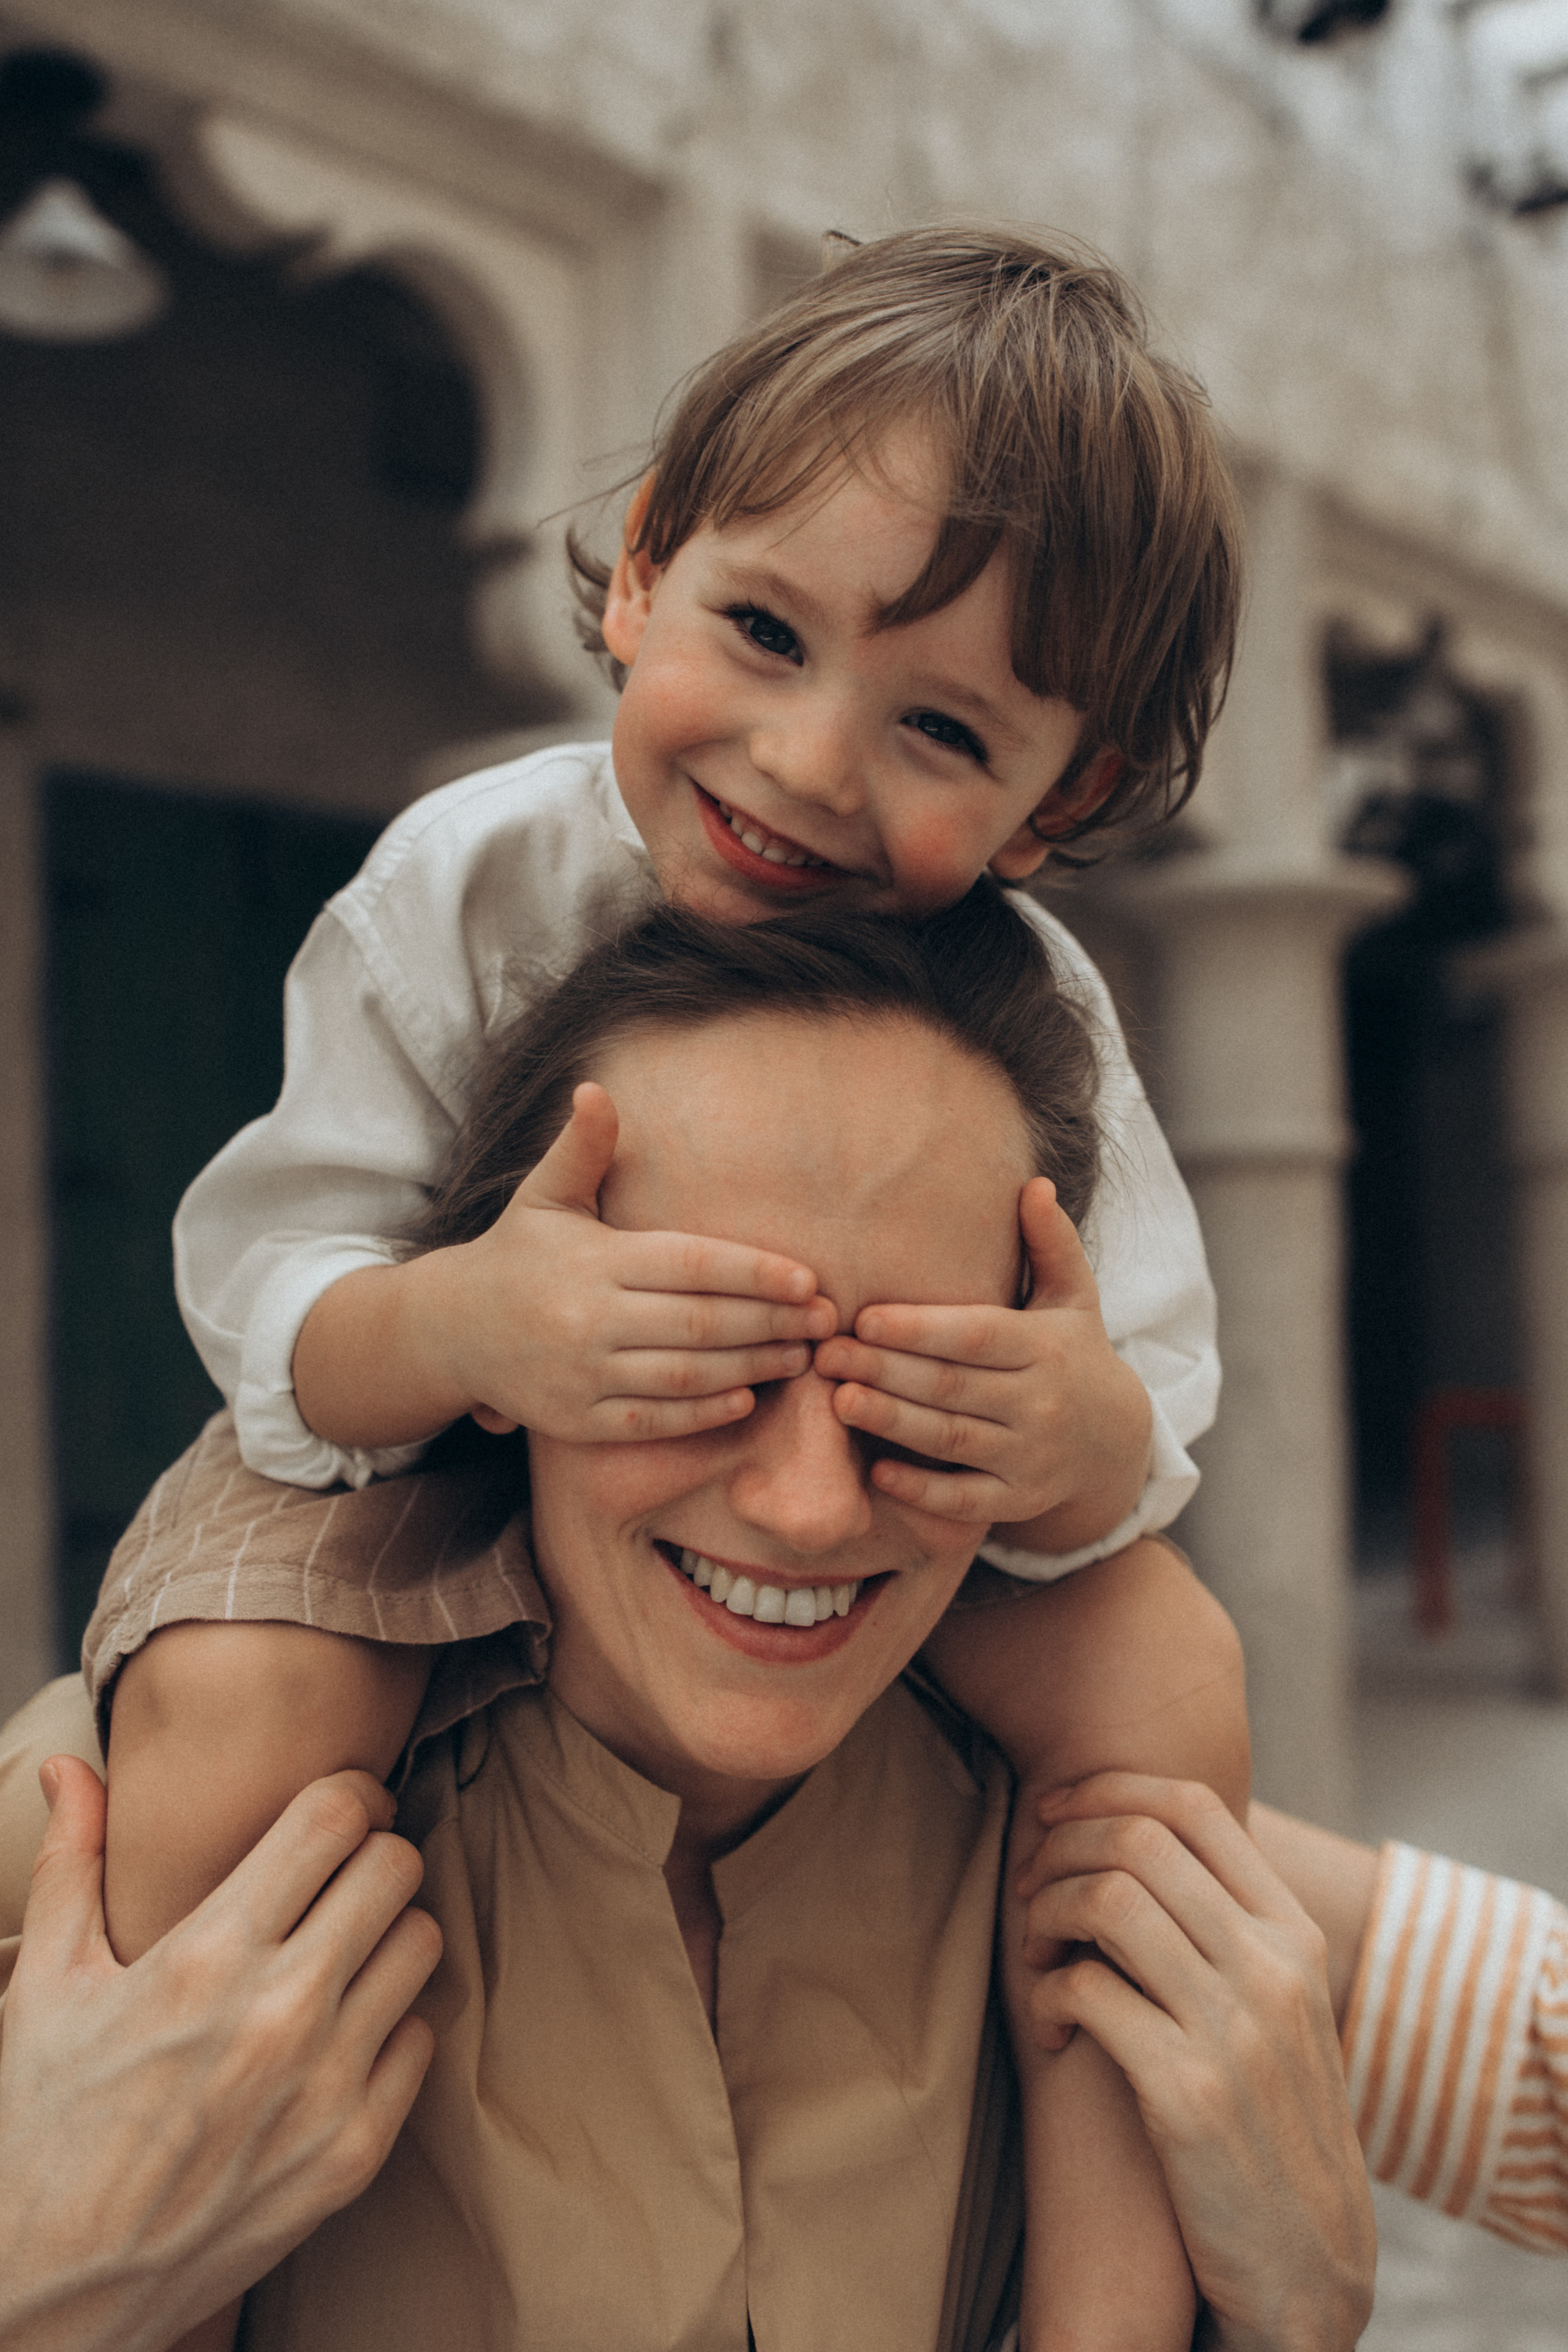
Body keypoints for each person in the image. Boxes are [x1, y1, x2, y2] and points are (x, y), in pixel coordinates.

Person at [86, 226, 1245, 2348]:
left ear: (1057, 800)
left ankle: (1112, 2299)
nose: (811, 764)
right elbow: (276, 1289)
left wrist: (1072, 1435)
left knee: (1171, 1681)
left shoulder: (1039, 1010)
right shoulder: (473, 882)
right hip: (396, 1420)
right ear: (638, 574)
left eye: (941, 730)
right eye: (766, 630)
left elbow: (1143, 1399)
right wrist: (471, 1326)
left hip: (875, 1442)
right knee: (239, 1714)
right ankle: (161, 2203)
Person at [4, 892, 1342, 2352]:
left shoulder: (1106, 1873)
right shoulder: (113, 1862)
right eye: (692, 1358)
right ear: (508, 1349)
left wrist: (1295, 2315)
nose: (811, 1506)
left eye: (923, 1392)